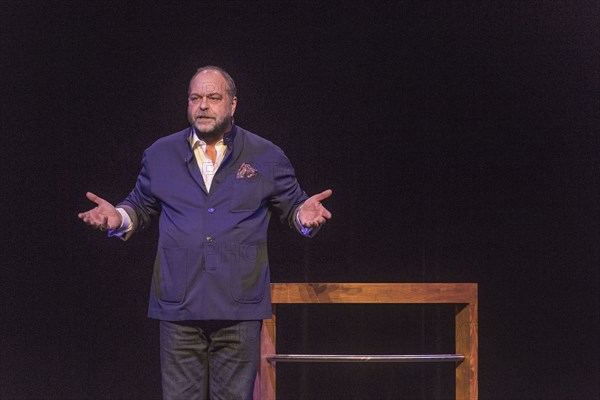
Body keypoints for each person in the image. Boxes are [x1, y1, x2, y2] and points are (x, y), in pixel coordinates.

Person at [78, 66, 332, 400]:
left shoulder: (265, 155)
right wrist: (118, 218)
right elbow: (139, 206)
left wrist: (304, 215)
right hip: (178, 306)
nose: (203, 105)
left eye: (214, 97)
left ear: (233, 104)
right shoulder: (160, 154)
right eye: (196, 98)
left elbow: (293, 207)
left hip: (238, 308)